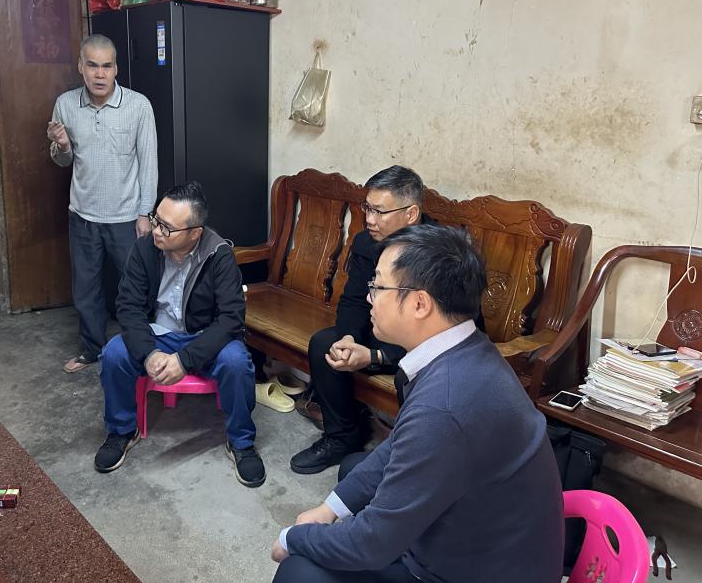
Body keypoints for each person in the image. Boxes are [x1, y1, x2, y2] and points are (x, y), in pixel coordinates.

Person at [271, 225, 564, 583]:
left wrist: (293, 538)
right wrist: (329, 508)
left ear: (420, 304)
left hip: (474, 571)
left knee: (299, 571)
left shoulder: (444, 406)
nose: (369, 298)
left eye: (378, 286)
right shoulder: (469, 350)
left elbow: (370, 544)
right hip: (485, 538)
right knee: (354, 470)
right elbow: (400, 443)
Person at [94, 181, 265, 488]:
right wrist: (149, 353)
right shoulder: (145, 248)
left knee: (237, 362)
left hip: (203, 337)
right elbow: (128, 307)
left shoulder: (218, 255)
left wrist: (185, 360)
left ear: (194, 233)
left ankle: (241, 441)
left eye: (167, 228)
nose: (157, 231)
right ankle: (122, 431)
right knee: (114, 354)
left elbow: (230, 320)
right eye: (156, 219)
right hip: (157, 334)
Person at [290, 166, 430, 474]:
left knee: (409, 375)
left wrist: (376, 356)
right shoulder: (368, 242)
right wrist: (349, 338)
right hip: (382, 329)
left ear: (411, 214)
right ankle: (343, 436)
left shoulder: (436, 254)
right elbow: (354, 299)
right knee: (326, 344)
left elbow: (434, 333)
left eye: (379, 212)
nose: (369, 219)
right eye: (367, 208)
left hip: (423, 344)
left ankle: (410, 457)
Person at [48, 34, 158, 374]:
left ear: (116, 69)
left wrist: (145, 213)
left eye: (107, 66)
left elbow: (149, 162)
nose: (100, 74)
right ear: (81, 67)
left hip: (126, 216)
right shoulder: (66, 104)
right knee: (86, 289)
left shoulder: (138, 106)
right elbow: (63, 161)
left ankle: (143, 350)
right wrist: (62, 145)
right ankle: (91, 349)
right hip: (82, 215)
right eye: (92, 65)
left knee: (137, 287)